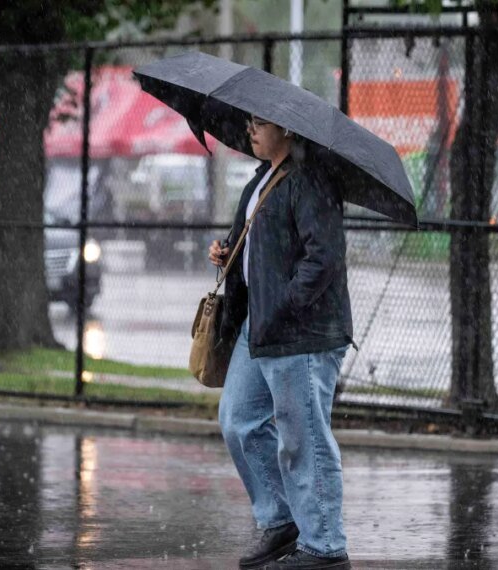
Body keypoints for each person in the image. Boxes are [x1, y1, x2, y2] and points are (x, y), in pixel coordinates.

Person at [208, 115, 354, 570]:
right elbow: (262, 245)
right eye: (248, 121)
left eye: (259, 123)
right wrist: (227, 250)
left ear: (288, 129)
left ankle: (325, 547)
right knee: (239, 419)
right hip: (261, 323)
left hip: (301, 331)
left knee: (303, 438)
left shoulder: (310, 179)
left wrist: (285, 303)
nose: (250, 130)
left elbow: (323, 256)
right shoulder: (261, 179)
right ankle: (280, 520)